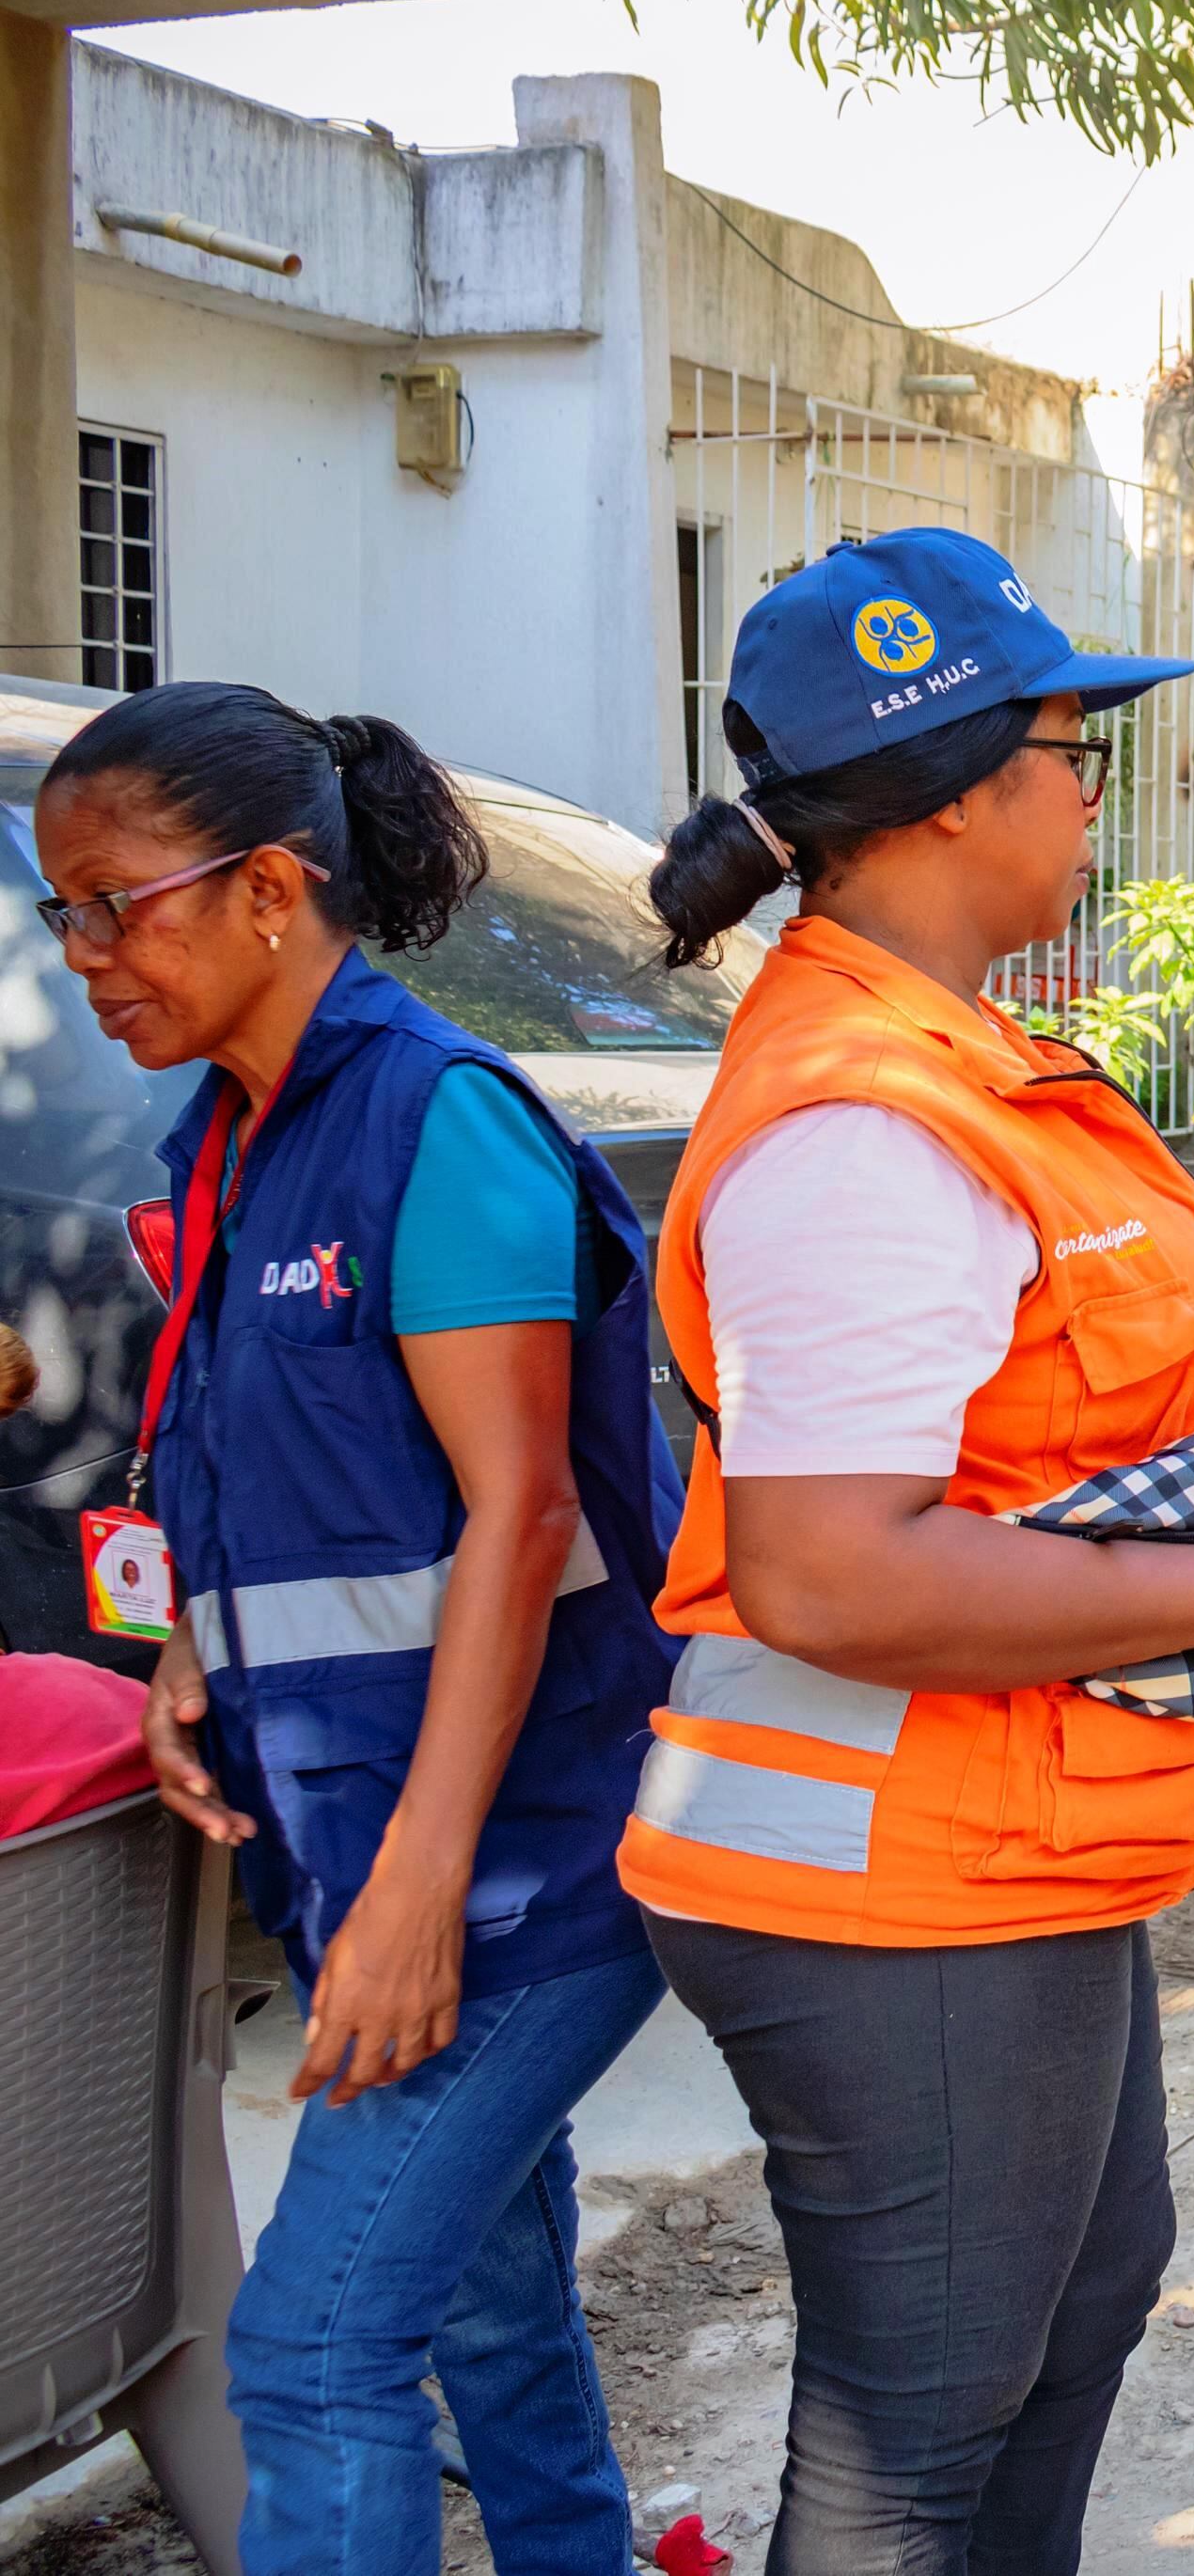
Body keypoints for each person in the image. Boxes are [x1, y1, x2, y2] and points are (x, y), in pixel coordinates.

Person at [626, 528, 1194, 2573]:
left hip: (1001, 1842)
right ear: (960, 789)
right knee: (922, 2433)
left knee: (1071, 2316)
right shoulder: (863, 1127)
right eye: (1076, 751)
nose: (1093, 797)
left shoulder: (956, 1070)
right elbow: (829, 1575)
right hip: (894, 1884)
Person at [33, 682, 682, 2575]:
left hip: (524, 1874)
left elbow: (520, 1513)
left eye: (115, 903)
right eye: (64, 911)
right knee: (488, 2310)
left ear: (268, 889)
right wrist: (196, 1650)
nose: (81, 953)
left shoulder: (436, 1122)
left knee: (314, 2348)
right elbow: (297, 1478)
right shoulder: (228, 1146)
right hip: (369, 1849)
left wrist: (417, 1891)